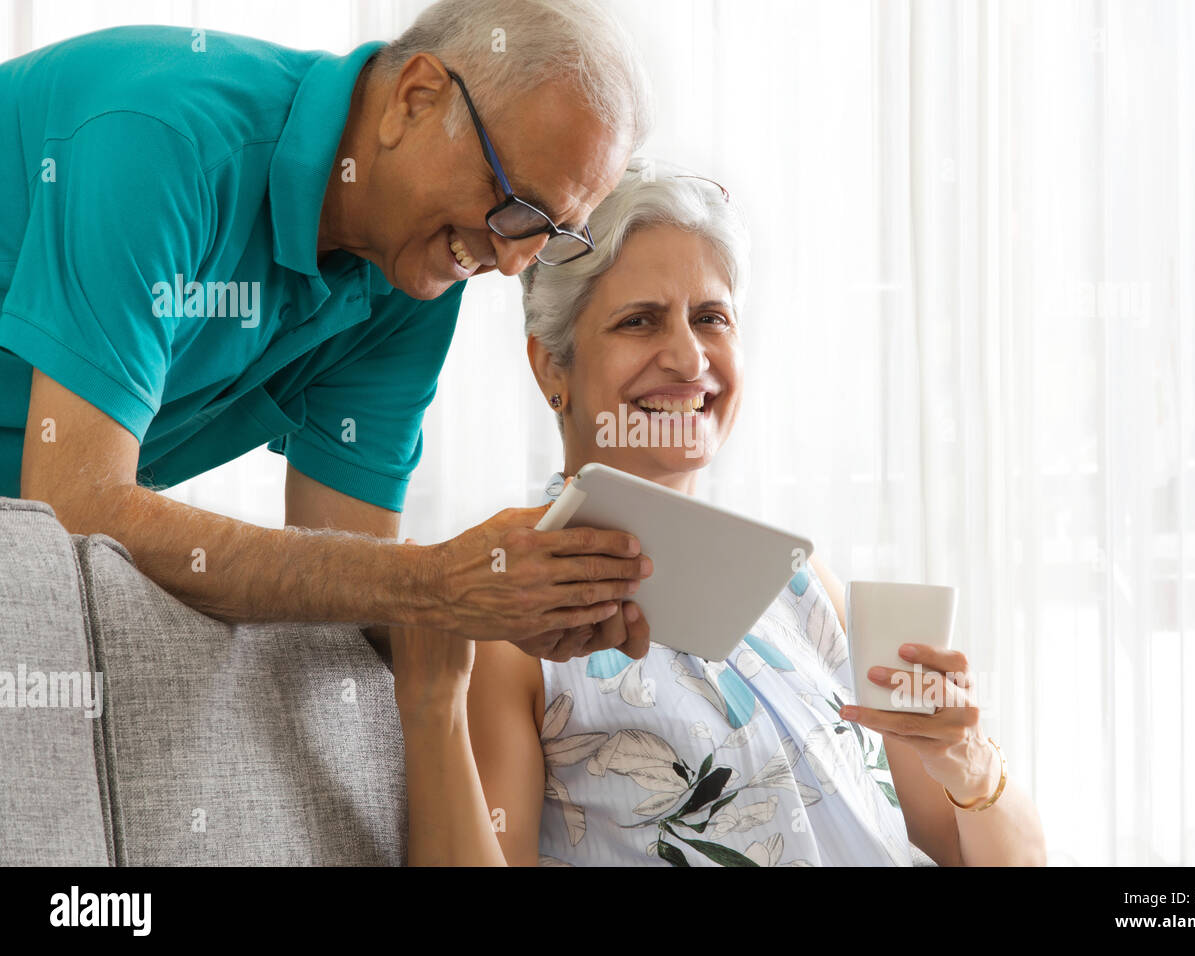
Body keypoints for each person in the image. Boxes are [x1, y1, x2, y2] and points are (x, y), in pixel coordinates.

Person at [391, 164, 1048, 865]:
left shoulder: (796, 582)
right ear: (552, 366)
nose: (687, 357)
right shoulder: (514, 614)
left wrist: (969, 763)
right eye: (639, 321)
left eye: (711, 318)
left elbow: (984, 854)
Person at [0, 0, 656, 662]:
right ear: (416, 97)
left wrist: (511, 605)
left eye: (549, 235)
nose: (511, 262)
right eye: (516, 205)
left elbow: (354, 587)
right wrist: (434, 581)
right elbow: (72, 513)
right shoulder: (162, 139)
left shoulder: (411, 275)